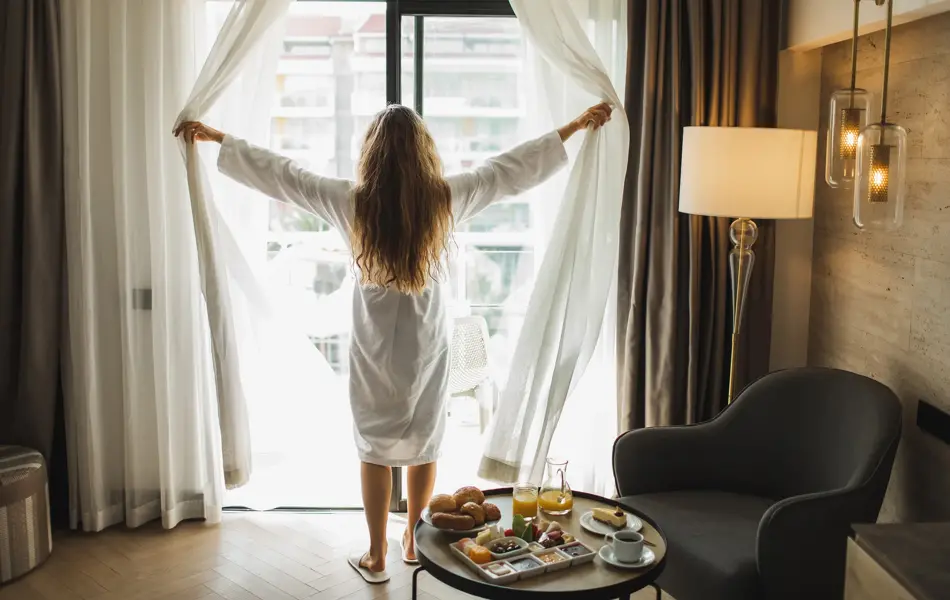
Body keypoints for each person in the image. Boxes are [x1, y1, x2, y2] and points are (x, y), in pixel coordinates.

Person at [175, 100, 611, 582]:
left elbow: (287, 176)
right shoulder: (446, 199)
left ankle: (376, 554)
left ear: (373, 155)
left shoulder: (351, 201)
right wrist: (572, 126)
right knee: (426, 446)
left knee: (373, 450)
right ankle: (411, 543)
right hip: (427, 352)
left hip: (373, 352)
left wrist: (219, 140)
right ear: (423, 154)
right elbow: (506, 171)